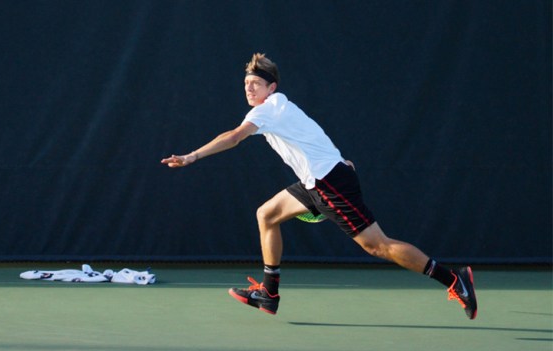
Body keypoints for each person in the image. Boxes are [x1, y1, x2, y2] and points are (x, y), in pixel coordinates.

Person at [161, 53, 477, 319]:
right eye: (246, 84)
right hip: (317, 181)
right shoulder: (279, 108)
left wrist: (192, 156)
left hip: (330, 184)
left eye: (256, 84)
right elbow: (312, 136)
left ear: (271, 87)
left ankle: (455, 280)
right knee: (266, 215)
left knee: (377, 245)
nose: (249, 88)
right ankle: (269, 294)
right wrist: (341, 160)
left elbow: (233, 137)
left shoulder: (269, 109)